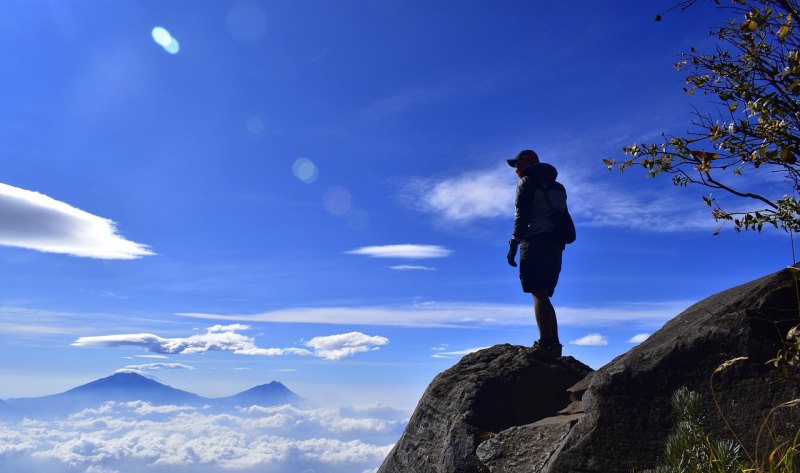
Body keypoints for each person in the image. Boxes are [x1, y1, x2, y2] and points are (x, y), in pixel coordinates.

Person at [505, 149, 567, 359]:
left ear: (525, 163)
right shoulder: (557, 187)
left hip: (535, 240)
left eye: (517, 164)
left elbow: (521, 216)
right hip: (555, 245)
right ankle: (553, 343)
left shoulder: (527, 182)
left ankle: (547, 344)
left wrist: (514, 243)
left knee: (538, 292)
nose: (516, 169)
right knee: (543, 294)